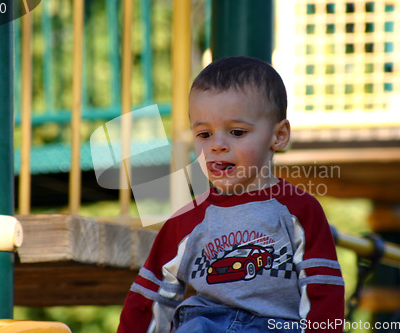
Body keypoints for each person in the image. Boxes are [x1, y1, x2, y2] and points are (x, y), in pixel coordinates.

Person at [117, 56, 345, 333]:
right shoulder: (187, 220)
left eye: (237, 132)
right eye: (204, 134)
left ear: (279, 136)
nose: (217, 145)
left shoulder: (299, 210)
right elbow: (150, 294)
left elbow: (323, 290)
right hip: (204, 324)